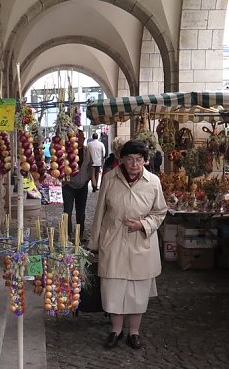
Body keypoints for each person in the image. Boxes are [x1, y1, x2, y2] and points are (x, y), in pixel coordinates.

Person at [88, 140, 167, 350]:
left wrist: (143, 224)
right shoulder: (109, 179)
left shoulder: (153, 182)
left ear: (145, 161)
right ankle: (115, 330)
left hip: (141, 242)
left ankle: (134, 332)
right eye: (130, 159)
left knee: (137, 291)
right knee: (113, 288)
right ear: (121, 160)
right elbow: (99, 214)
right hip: (113, 239)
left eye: (138, 160)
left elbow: (160, 211)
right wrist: (94, 243)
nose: (134, 164)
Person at [63, 134, 92, 241]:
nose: (81, 139)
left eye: (83, 137)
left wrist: (88, 178)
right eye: (79, 137)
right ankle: (67, 233)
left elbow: (90, 166)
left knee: (81, 211)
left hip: (82, 185)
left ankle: (80, 234)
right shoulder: (67, 150)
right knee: (68, 211)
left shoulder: (87, 151)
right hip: (68, 186)